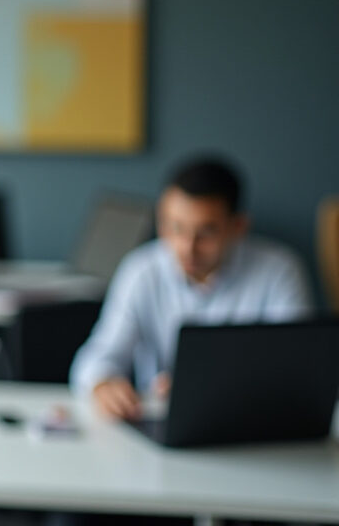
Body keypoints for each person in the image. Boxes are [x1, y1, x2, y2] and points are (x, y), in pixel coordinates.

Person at [70, 154, 313, 420]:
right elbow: (97, 356)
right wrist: (103, 384)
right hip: (162, 426)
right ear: (161, 221)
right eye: (176, 228)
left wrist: (211, 391)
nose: (187, 248)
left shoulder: (279, 271)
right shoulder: (141, 270)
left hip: (252, 424)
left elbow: (296, 370)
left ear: (238, 226)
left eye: (206, 233)